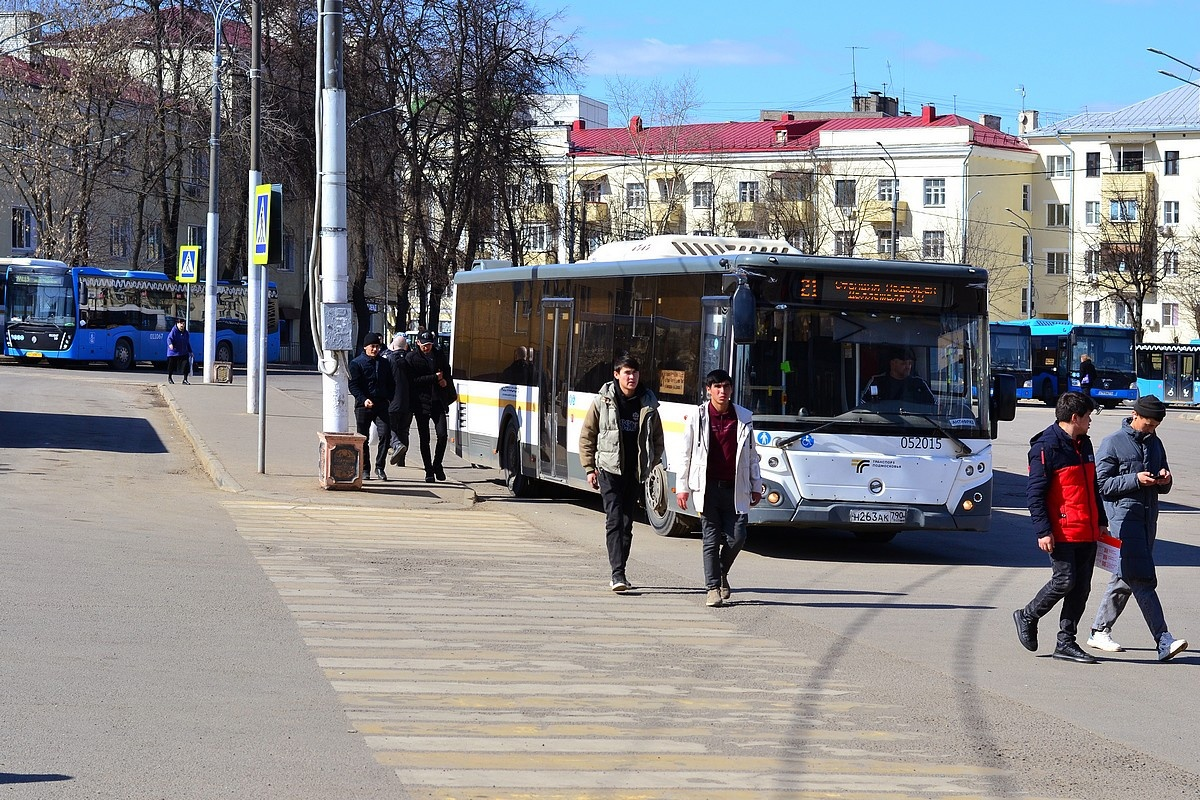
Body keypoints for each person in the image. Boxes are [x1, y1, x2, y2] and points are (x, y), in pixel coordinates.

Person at [1086, 395, 1188, 661]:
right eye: (1148, 423)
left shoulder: (1155, 444)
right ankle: (1163, 639)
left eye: (1155, 426)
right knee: (1141, 577)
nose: (1151, 429)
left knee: (1124, 576)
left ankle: (1099, 630)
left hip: (1147, 519)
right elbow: (1102, 486)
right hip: (1122, 520)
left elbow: (1162, 482)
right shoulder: (1112, 443)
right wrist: (1135, 479)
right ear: (1134, 415)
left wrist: (1165, 480)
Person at [1013, 392, 1108, 664]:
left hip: (1087, 530)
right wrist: (1043, 531)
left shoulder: (1084, 444)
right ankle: (1028, 614)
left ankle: (1065, 642)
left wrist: (1101, 521)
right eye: (1088, 416)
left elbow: (1092, 487)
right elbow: (1034, 494)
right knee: (1064, 581)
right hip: (1062, 530)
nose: (1091, 421)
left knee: (1081, 588)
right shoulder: (1046, 447)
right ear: (1075, 418)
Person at [578, 354, 665, 592]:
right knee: (614, 519)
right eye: (627, 373)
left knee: (627, 523)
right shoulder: (602, 401)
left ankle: (621, 572)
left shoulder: (647, 402)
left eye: (635, 373)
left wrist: (650, 463)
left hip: (634, 473)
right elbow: (587, 436)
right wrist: (589, 468)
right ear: (617, 375)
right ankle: (616, 573)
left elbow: (658, 438)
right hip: (608, 469)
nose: (632, 377)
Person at [675, 370, 762, 607]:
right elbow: (686, 454)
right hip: (708, 488)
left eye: (726, 387)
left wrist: (756, 485)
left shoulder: (744, 417)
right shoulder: (697, 416)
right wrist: (682, 487)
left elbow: (752, 455)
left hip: (735, 488)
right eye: (717, 387)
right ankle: (712, 588)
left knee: (738, 537)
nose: (722, 392)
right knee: (710, 540)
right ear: (708, 390)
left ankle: (721, 573)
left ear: (731, 389)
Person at [407, 330, 453, 483]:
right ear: (418, 343)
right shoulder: (412, 358)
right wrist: (434, 378)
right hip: (421, 403)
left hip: (437, 401)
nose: (427, 348)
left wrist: (444, 381)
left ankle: (437, 464)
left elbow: (446, 372)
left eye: (429, 345)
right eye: (424, 345)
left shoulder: (439, 355)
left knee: (442, 435)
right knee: (424, 438)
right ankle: (428, 470)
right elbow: (413, 381)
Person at [348, 332, 395, 481]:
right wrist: (363, 399)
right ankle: (365, 468)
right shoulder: (357, 363)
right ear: (365, 347)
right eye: (372, 347)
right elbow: (353, 386)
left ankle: (380, 467)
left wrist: (389, 398)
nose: (375, 349)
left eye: (377, 346)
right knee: (363, 438)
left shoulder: (385, 363)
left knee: (386, 434)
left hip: (381, 404)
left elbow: (391, 384)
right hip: (364, 406)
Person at [860, 346, 936, 407]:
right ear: (893, 364)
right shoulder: (877, 382)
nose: (908, 367)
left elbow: (933, 406)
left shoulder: (919, 384)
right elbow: (863, 406)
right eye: (903, 363)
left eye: (909, 363)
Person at [382, 334, 411, 468]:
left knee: (391, 427)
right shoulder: (411, 359)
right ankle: (401, 460)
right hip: (409, 403)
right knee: (404, 430)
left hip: (393, 401)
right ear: (406, 346)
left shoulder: (388, 360)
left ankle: (396, 445)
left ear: (393, 346)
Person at [165, 318, 192, 385]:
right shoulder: (173, 331)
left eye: (183, 324)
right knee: (171, 366)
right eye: (181, 324)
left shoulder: (186, 333)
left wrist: (190, 351)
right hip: (173, 352)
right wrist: (170, 344)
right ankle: (170, 378)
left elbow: (187, 343)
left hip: (183, 352)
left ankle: (185, 380)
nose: (182, 325)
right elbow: (169, 339)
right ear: (177, 324)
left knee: (186, 365)